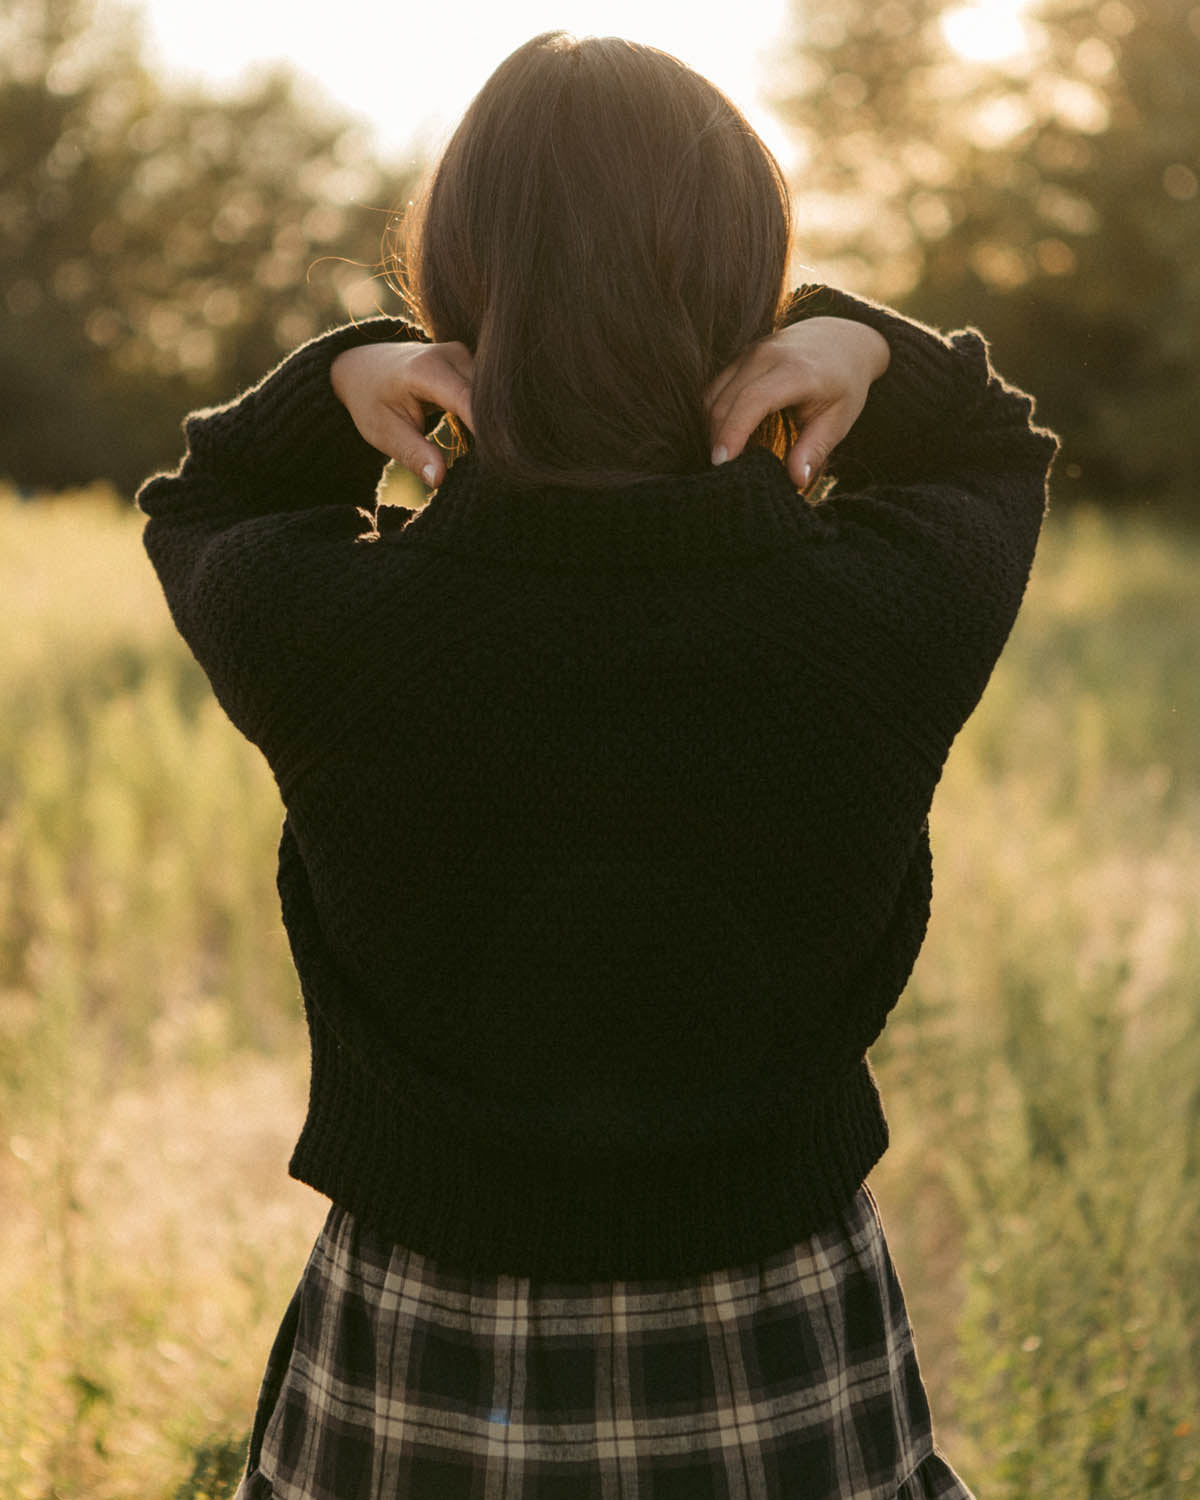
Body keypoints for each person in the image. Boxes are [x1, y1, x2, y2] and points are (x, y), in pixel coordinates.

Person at [136, 30, 1058, 1500]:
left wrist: (345, 373)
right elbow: (996, 450)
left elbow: (204, 497)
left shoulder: (333, 625)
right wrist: (855, 341)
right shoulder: (884, 608)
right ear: (744, 293)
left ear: (456, 285)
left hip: (419, 1356)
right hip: (783, 1350)